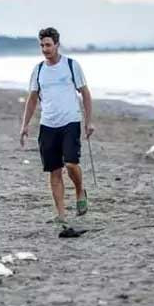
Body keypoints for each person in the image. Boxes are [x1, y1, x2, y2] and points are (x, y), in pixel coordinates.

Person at [19, 27, 94, 230]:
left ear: (57, 45)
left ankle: (79, 190)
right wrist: (25, 125)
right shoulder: (39, 70)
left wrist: (88, 121)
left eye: (48, 45)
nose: (45, 49)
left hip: (70, 121)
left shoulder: (71, 65)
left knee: (71, 164)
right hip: (48, 125)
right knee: (54, 171)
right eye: (42, 45)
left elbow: (85, 94)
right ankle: (61, 214)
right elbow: (32, 98)